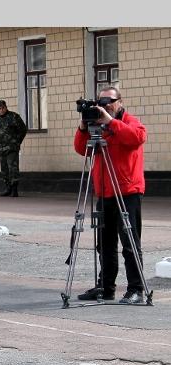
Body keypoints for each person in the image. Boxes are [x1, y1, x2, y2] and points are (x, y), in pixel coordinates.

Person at [74, 86, 147, 304]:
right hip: (104, 191)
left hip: (127, 192)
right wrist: (83, 127)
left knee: (129, 243)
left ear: (120, 102)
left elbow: (137, 137)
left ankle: (136, 289)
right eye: (101, 102)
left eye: (109, 101)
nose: (105, 106)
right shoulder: (97, 125)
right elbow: (82, 149)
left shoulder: (130, 122)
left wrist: (111, 122)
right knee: (104, 244)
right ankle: (106, 287)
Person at [0, 100, 27, 197]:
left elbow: (23, 129)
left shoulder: (14, 117)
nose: (1, 110)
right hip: (1, 149)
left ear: (6, 107)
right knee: (4, 170)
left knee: (13, 169)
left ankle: (14, 189)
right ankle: (7, 188)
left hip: (12, 148)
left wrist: (17, 142)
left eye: (3, 108)